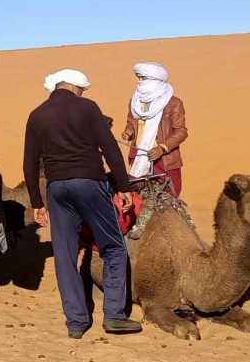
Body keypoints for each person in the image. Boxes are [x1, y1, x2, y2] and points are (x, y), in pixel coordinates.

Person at [24, 69, 142, 338]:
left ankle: (76, 322)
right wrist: (123, 187)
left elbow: (29, 163)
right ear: (76, 88)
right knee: (112, 247)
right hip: (90, 183)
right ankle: (114, 316)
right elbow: (110, 147)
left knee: (65, 256)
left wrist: (36, 202)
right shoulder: (88, 107)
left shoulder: (37, 114)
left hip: (56, 189)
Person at [121, 62, 187, 196]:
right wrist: (129, 132)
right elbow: (132, 123)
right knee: (135, 199)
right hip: (139, 157)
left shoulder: (173, 103)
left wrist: (162, 148)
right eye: (138, 78)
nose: (140, 82)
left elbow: (181, 131)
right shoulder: (135, 102)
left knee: (169, 200)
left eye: (143, 78)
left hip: (165, 161)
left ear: (155, 80)